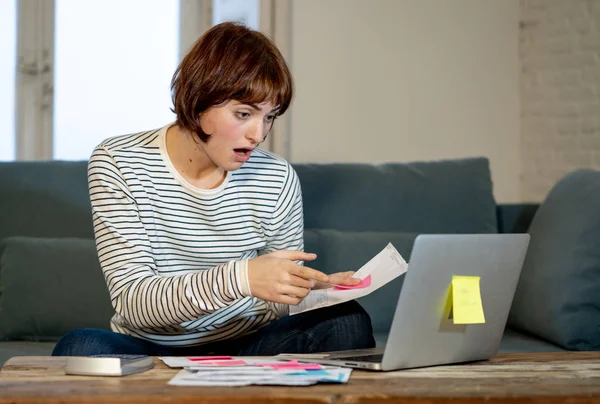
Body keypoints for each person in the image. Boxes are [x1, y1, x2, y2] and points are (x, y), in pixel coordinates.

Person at [52, 22, 375, 357]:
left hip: (250, 346)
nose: (259, 134)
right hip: (149, 348)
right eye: (244, 113)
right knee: (81, 347)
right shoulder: (119, 162)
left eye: (269, 117)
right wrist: (242, 278)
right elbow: (134, 302)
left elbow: (274, 305)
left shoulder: (277, 177)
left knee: (345, 320)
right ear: (199, 100)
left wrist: (308, 289)